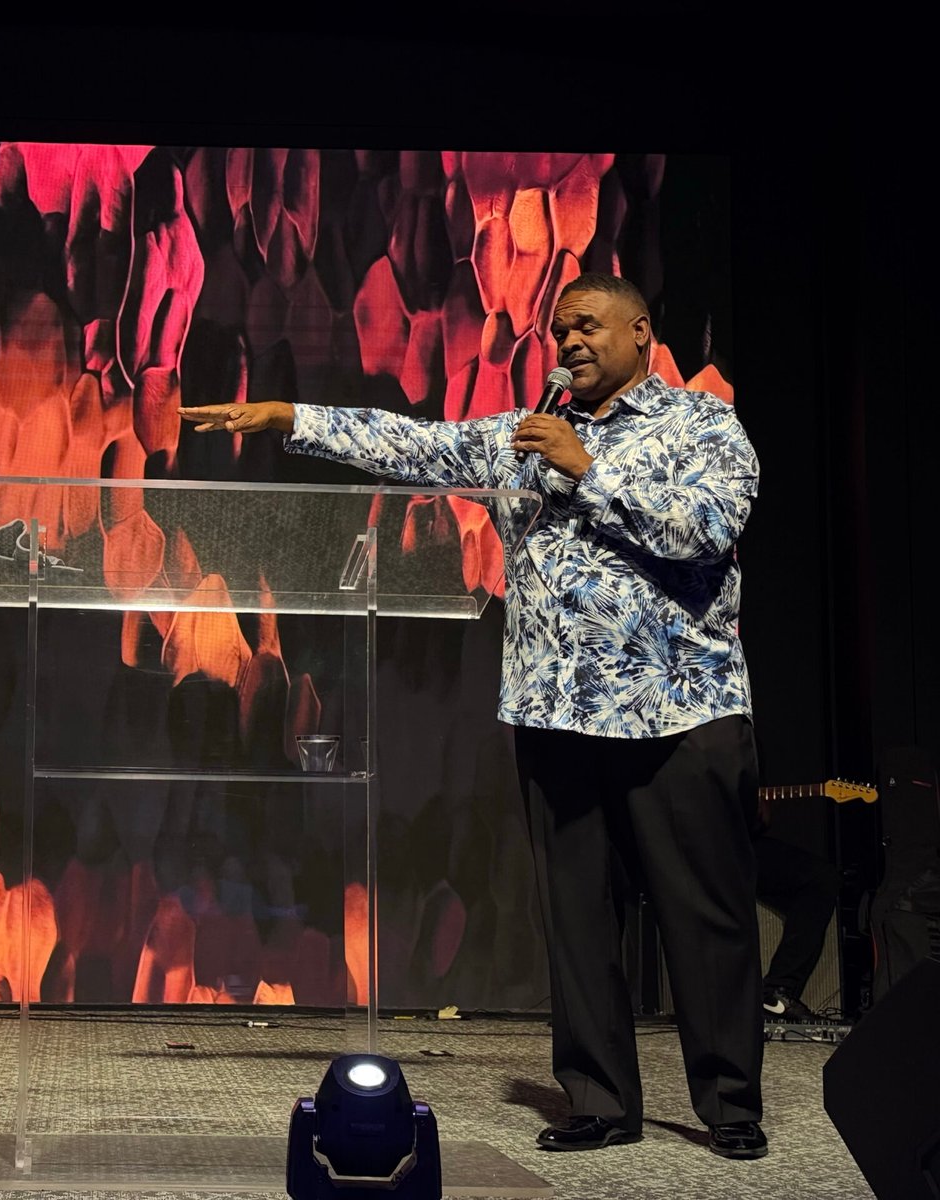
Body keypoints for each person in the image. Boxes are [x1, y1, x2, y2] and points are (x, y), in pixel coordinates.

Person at [180, 273, 768, 1160]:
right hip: (557, 714)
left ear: (642, 331)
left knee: (705, 915)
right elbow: (411, 443)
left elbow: (706, 530)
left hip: (678, 712)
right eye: (559, 332)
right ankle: (599, 1100)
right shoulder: (522, 438)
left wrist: (589, 468)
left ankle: (730, 1107)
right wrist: (291, 417)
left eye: (587, 326)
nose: (569, 343)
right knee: (576, 919)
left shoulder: (701, 426)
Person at [752, 796, 840, 1022]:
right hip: (708, 845)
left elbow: (761, 821)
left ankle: (776, 995)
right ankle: (776, 990)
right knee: (820, 880)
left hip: (727, 844)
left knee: (817, 886)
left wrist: (753, 807)